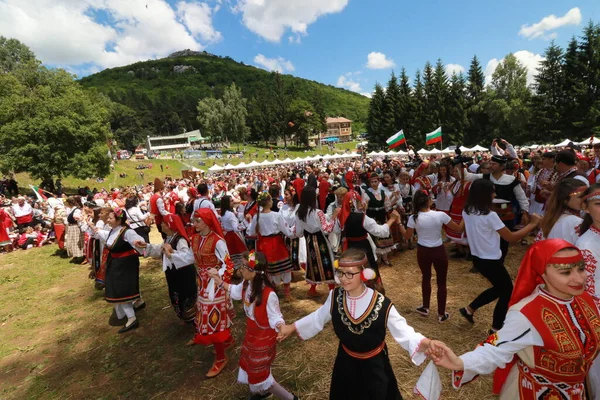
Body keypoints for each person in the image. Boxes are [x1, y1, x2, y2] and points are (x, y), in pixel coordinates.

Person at [428, 239, 600, 400]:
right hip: (536, 392)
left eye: (581, 268)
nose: (579, 278)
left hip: (576, 391)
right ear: (543, 274)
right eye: (566, 272)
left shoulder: (584, 299)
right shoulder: (528, 313)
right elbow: (495, 349)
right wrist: (460, 362)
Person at [277, 249, 441, 400]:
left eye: (349, 274)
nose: (343, 278)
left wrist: (427, 344)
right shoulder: (335, 296)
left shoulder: (382, 304)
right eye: (340, 272)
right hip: (345, 363)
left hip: (375, 367)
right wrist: (291, 327)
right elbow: (318, 317)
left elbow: (405, 332)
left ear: (364, 274)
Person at [209, 251, 298, 400]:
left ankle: (290, 398)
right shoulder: (247, 285)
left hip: (263, 339)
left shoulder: (268, 295)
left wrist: (282, 327)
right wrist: (218, 280)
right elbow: (235, 291)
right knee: (252, 368)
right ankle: (260, 393)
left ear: (254, 272)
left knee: (262, 375)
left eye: (244, 266)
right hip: (252, 336)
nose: (240, 269)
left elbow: (276, 316)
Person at [459, 179, 541, 334]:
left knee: (500, 288)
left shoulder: (467, 210)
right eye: (493, 191)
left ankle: (469, 309)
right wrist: (532, 225)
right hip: (490, 260)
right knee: (507, 290)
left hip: (478, 257)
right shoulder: (490, 215)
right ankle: (496, 327)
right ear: (485, 195)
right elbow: (511, 238)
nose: (495, 194)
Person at [187, 208, 235, 378]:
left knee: (213, 320)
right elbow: (189, 257)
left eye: (197, 221)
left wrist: (218, 277)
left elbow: (229, 265)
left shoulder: (218, 241)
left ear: (207, 221)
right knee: (209, 316)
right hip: (202, 283)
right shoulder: (195, 239)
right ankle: (227, 341)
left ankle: (221, 357)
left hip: (214, 286)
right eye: (194, 221)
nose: (194, 224)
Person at [403, 190, 464, 323]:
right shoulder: (440, 215)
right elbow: (458, 229)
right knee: (441, 282)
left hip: (423, 251)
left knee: (426, 277)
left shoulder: (413, 218)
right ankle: (441, 314)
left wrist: (396, 222)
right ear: (429, 201)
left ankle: (425, 307)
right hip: (438, 251)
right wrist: (464, 215)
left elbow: (407, 237)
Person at [90, 208, 146, 333]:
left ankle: (132, 319)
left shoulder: (127, 232)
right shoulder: (113, 230)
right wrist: (95, 228)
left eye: (110, 218)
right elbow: (106, 237)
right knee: (122, 288)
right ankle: (138, 302)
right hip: (116, 264)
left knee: (121, 291)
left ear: (119, 220)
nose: (108, 220)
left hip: (125, 264)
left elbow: (137, 240)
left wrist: (139, 242)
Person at [136, 214, 197, 323]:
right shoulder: (168, 238)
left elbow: (185, 256)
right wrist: (146, 246)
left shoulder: (180, 240)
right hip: (174, 274)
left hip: (183, 275)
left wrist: (171, 252)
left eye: (164, 223)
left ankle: (192, 318)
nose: (161, 225)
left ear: (170, 225)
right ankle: (186, 316)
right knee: (176, 294)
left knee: (185, 295)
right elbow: (159, 249)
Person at [336, 190, 401, 293]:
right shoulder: (362, 218)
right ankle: (370, 295)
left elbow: (336, 230)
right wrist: (392, 219)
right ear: (355, 203)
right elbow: (381, 232)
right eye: (359, 202)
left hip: (349, 249)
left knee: (352, 273)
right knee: (368, 272)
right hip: (363, 249)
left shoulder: (341, 216)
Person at [247, 192, 294, 298]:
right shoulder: (276, 215)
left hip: (263, 245)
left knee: (268, 268)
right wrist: (293, 232)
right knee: (283, 267)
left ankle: (273, 290)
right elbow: (286, 231)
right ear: (268, 202)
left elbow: (251, 233)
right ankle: (287, 293)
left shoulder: (257, 217)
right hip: (277, 243)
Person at [294, 186, 338, 297]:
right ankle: (331, 290)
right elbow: (327, 229)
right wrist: (334, 217)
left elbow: (298, 233)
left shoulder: (299, 213)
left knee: (312, 263)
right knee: (326, 262)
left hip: (309, 240)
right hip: (320, 240)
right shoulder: (318, 212)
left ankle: (312, 289)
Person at [536, 178, 586, 244]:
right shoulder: (576, 222)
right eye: (580, 197)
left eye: (587, 195)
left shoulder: (553, 216)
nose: (585, 199)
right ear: (565, 200)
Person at [220, 195, 248, 270]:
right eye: (231, 201)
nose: (233, 202)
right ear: (227, 203)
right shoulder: (230, 214)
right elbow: (236, 228)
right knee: (241, 256)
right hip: (234, 236)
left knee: (233, 256)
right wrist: (246, 223)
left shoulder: (223, 213)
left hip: (228, 236)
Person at [65, 196, 85, 263]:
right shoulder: (71, 209)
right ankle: (75, 255)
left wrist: (81, 228)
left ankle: (81, 256)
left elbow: (79, 220)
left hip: (75, 227)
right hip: (71, 227)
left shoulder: (76, 210)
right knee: (71, 242)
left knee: (76, 242)